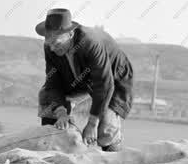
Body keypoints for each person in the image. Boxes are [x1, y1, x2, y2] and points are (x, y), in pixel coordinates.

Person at [35, 8, 133, 151]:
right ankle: (55, 145)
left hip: (112, 79)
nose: (53, 48)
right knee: (46, 97)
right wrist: (61, 112)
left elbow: (104, 85)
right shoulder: (51, 46)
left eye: (57, 43)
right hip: (79, 78)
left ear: (70, 34)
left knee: (105, 127)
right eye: (49, 43)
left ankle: (113, 158)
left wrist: (92, 124)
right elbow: (53, 83)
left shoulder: (91, 43)